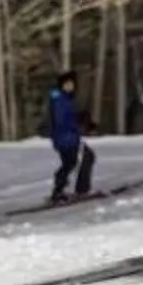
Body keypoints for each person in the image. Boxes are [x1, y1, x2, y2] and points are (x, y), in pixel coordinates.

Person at [43, 70, 96, 203]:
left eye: (72, 84)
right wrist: (79, 122)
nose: (70, 87)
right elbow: (61, 120)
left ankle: (59, 191)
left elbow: (68, 117)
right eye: (67, 84)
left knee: (71, 163)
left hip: (67, 138)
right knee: (86, 157)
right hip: (66, 138)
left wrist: (83, 120)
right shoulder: (59, 99)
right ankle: (81, 190)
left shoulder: (64, 99)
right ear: (62, 85)